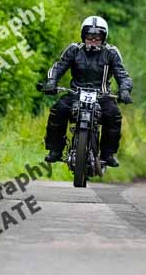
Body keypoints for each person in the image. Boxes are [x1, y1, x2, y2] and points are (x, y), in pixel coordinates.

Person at [42, 16, 133, 166]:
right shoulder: (74, 50)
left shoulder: (111, 53)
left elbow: (123, 75)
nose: (93, 40)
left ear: (103, 38)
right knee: (58, 110)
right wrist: (52, 82)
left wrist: (124, 90)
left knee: (114, 115)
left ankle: (108, 154)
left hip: (102, 96)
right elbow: (58, 67)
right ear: (83, 36)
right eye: (89, 36)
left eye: (97, 37)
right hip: (75, 94)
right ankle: (55, 150)